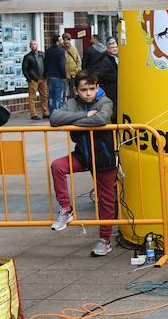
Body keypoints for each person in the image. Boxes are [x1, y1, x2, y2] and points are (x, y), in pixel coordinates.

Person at [49, 70, 118, 256]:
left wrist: (74, 120)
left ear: (97, 87)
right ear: (76, 90)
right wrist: (85, 116)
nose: (88, 93)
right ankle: (66, 208)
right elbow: (54, 119)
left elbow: (102, 118)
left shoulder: (105, 101)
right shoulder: (71, 103)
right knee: (58, 166)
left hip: (104, 158)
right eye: (83, 89)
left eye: (91, 89)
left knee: (105, 201)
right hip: (82, 156)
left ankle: (105, 240)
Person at [86, 38, 119, 118]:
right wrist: (117, 77)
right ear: (107, 48)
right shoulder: (105, 59)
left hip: (113, 89)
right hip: (110, 90)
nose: (115, 49)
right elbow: (102, 75)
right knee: (112, 109)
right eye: (112, 47)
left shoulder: (114, 58)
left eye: (116, 47)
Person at [21, 39, 49, 120]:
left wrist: (46, 75)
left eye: (35, 44)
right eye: (32, 44)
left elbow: (46, 64)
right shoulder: (27, 57)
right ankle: (33, 114)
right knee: (32, 97)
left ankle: (45, 112)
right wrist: (29, 78)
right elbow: (24, 68)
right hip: (33, 79)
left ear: (37, 45)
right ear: (30, 46)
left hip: (43, 78)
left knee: (44, 96)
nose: (34, 46)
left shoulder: (42, 54)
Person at [44, 36, 66, 112]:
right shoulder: (60, 51)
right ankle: (57, 113)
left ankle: (51, 112)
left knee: (51, 95)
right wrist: (64, 75)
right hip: (57, 76)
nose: (62, 41)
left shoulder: (48, 50)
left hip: (49, 75)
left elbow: (45, 63)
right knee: (58, 96)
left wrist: (45, 74)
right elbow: (62, 64)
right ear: (57, 41)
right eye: (60, 40)